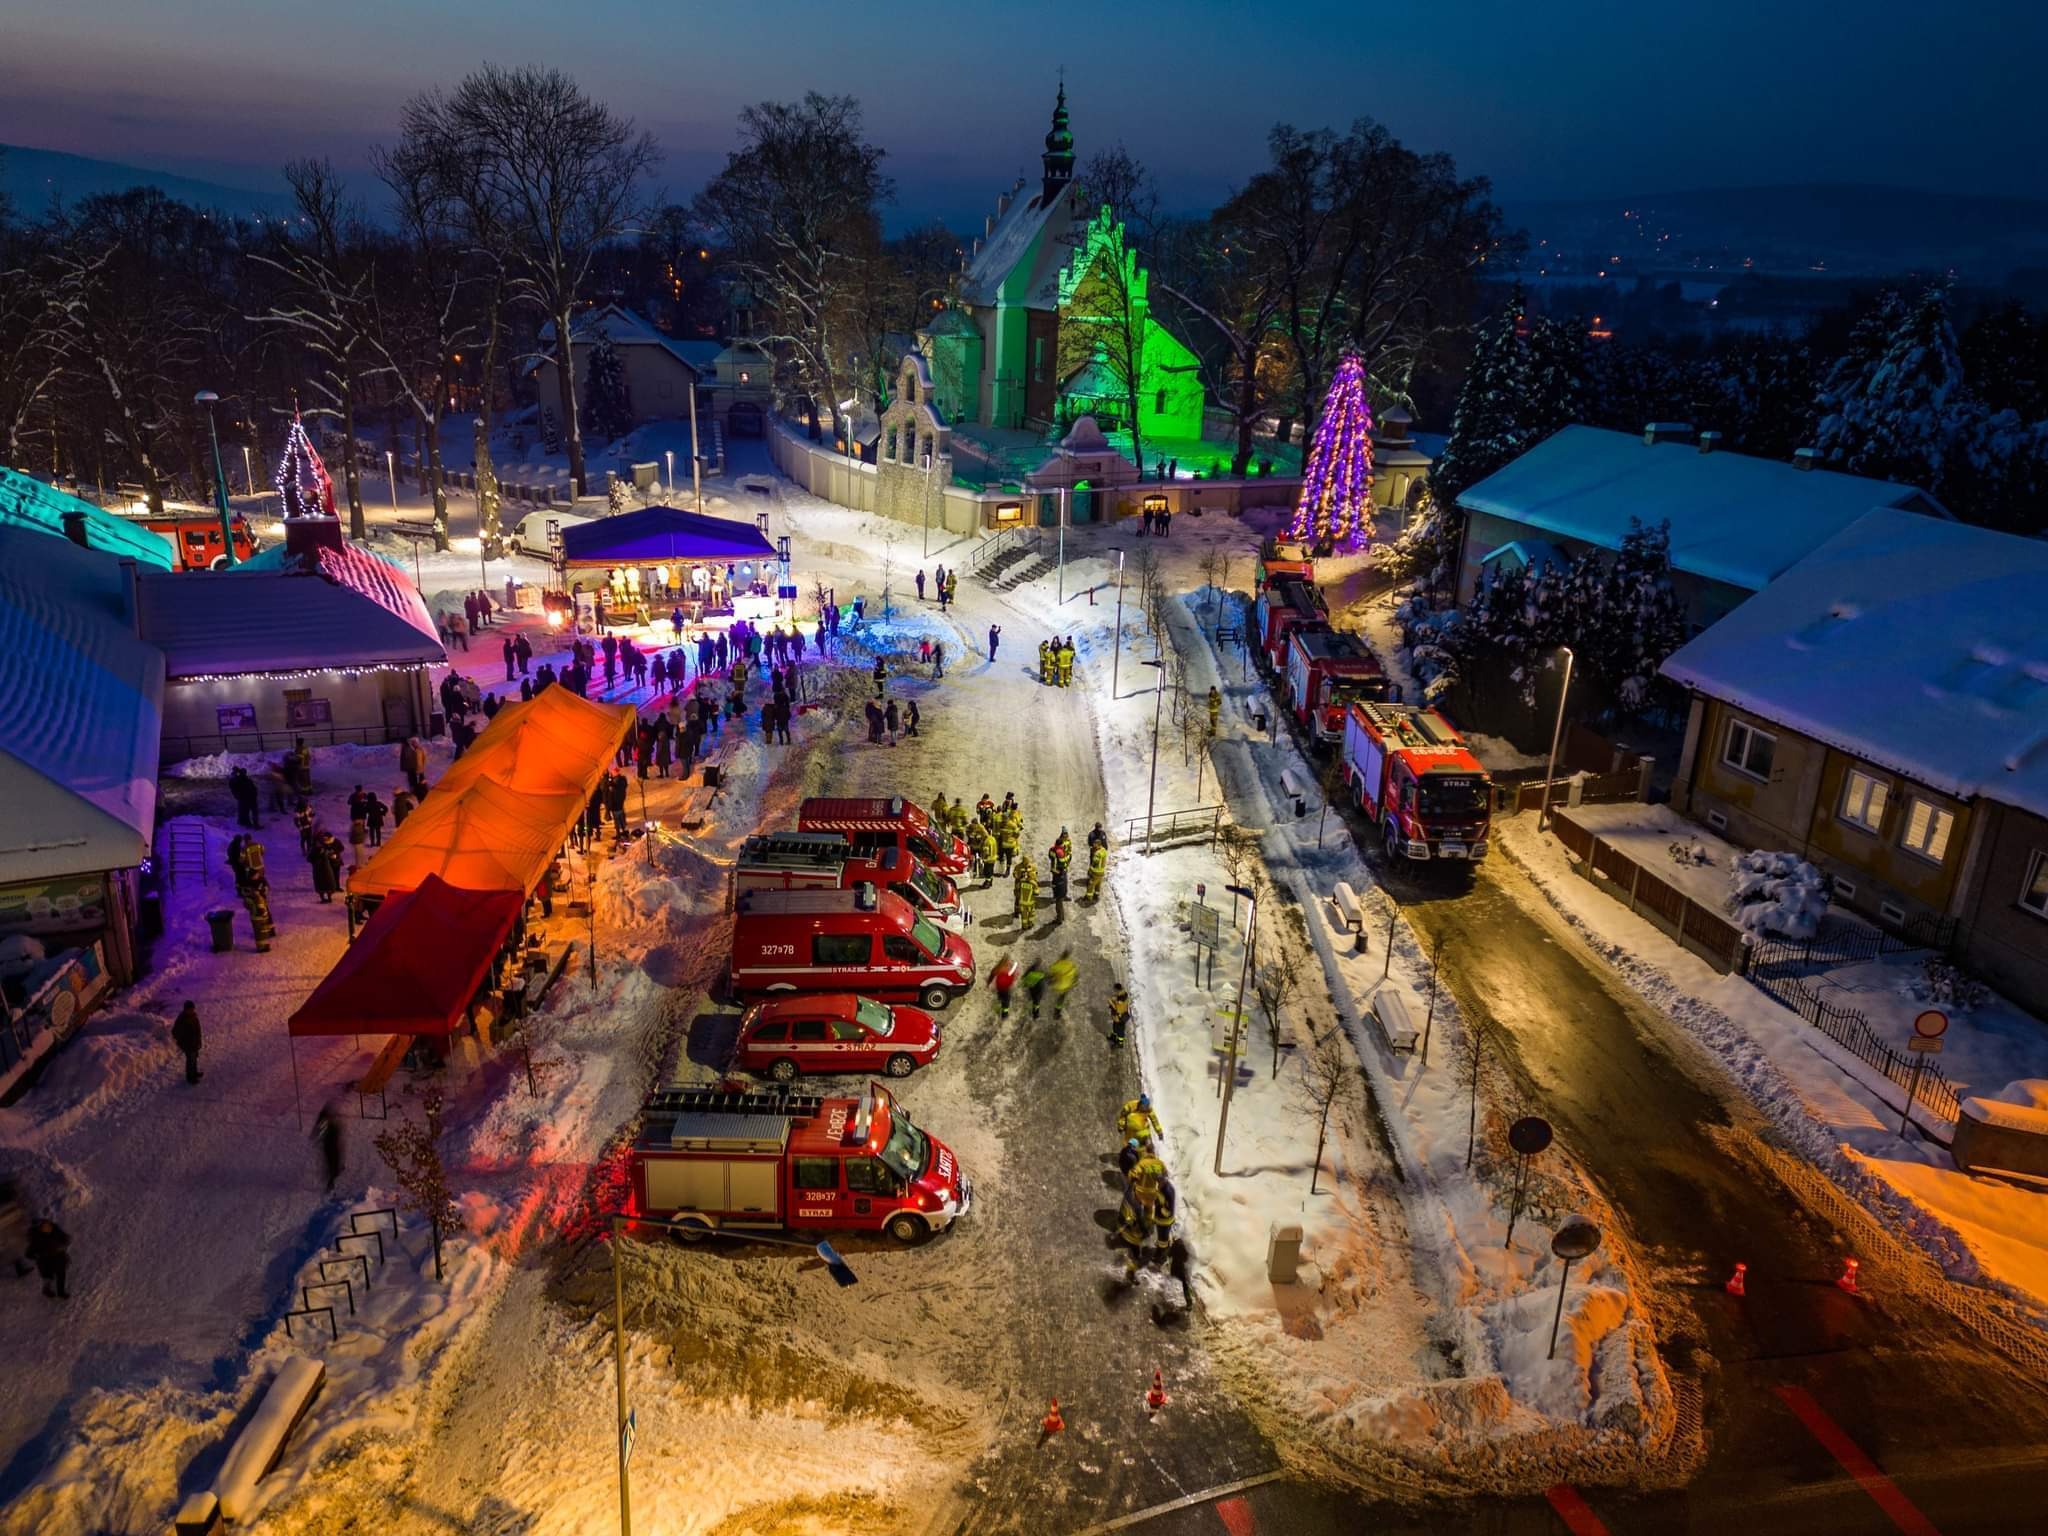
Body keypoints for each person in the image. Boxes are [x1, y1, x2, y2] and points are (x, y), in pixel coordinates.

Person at [24, 1216, 69, 1299]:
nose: (47, 1229)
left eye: (48, 1227)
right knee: (48, 1276)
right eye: (44, 1228)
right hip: (46, 1261)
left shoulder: (55, 1231)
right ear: (40, 1228)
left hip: (58, 1257)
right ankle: (46, 1290)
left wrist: (64, 1242)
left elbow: (65, 1238)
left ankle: (61, 1292)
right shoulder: (37, 1239)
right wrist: (38, 1256)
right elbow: (28, 1253)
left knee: (61, 1274)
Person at [313, 1102, 345, 1193]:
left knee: (334, 1161)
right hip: (330, 1145)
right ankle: (331, 1181)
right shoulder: (326, 1123)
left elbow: (320, 1133)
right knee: (332, 1162)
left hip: (331, 1145)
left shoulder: (327, 1122)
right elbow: (321, 1133)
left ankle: (335, 1172)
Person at [172, 1000, 203, 1084]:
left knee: (194, 1059)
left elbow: (198, 1029)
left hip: (194, 1042)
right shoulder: (181, 1019)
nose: (192, 1010)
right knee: (190, 1060)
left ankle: (194, 1073)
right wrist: (182, 1040)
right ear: (186, 1009)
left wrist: (199, 1041)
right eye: (190, 1009)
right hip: (188, 1044)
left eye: (193, 1009)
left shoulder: (194, 1017)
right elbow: (175, 1032)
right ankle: (190, 1077)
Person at [1012, 850, 1039, 926]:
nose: (1026, 863)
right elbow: (1014, 875)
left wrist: (1031, 877)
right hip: (1019, 886)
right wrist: (1020, 876)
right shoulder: (1018, 867)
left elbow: (1036, 875)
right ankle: (1017, 912)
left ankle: (1026, 916)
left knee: (1028, 901)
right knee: (1018, 899)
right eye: (1025, 861)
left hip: (1028, 888)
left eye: (1027, 861)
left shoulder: (1032, 867)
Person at [1047, 950, 1077, 1017]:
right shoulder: (1070, 964)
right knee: (1062, 997)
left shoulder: (1058, 964)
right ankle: (1057, 1011)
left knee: (1049, 977)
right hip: (1067, 985)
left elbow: (1051, 968)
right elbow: (1075, 974)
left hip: (1061, 985)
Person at [991, 955, 1020, 1019]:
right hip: (1005, 989)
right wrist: (1015, 965)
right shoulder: (1007, 970)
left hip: (999, 988)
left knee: (1000, 998)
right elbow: (1012, 973)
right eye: (1008, 961)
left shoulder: (999, 968)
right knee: (1006, 1003)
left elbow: (994, 973)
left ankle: (998, 1004)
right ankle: (1004, 1015)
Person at [1107, 983, 1131, 1047]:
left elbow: (1118, 1010)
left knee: (1119, 1031)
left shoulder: (1121, 999)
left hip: (1119, 1018)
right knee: (1115, 1027)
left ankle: (1120, 1043)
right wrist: (1114, 999)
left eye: (1115, 990)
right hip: (1117, 1018)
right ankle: (1113, 1037)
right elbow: (1117, 1000)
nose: (1114, 991)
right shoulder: (1121, 995)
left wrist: (1111, 1003)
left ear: (1117, 990)